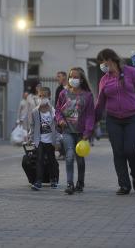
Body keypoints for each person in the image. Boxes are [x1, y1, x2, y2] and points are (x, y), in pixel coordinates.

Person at [95, 48, 135, 195]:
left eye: (102, 62)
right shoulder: (104, 80)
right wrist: (93, 120)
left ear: (110, 59)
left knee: (131, 149)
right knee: (118, 152)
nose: (102, 65)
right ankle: (124, 185)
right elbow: (100, 103)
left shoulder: (131, 72)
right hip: (113, 119)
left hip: (133, 117)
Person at [56, 67, 95, 195]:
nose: (73, 79)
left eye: (76, 77)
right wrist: (60, 120)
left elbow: (90, 115)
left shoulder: (88, 96)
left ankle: (80, 182)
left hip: (81, 133)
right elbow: (58, 110)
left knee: (80, 159)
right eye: (71, 77)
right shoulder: (63, 93)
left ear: (82, 79)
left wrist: (88, 131)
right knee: (69, 156)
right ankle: (69, 183)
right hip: (67, 130)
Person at [29, 87, 60, 190]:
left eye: (45, 96)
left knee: (51, 160)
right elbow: (32, 126)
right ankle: (38, 181)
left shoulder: (53, 111)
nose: (42, 98)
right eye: (40, 96)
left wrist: (57, 141)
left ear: (49, 96)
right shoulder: (35, 112)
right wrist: (31, 139)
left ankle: (53, 179)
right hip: (40, 140)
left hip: (51, 140)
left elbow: (56, 128)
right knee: (39, 160)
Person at [55, 71, 67, 161]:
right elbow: (57, 104)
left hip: (71, 115)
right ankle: (63, 152)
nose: (57, 78)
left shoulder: (72, 88)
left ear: (64, 77)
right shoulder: (58, 89)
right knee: (61, 134)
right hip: (61, 116)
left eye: (59, 76)